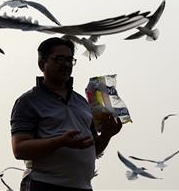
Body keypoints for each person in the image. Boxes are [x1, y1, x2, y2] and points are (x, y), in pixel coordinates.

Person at [11, 37, 122, 191]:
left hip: (82, 186)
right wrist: (60, 142)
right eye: (59, 59)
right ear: (42, 64)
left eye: (70, 59)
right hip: (43, 184)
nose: (66, 64)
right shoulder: (28, 101)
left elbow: (92, 149)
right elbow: (20, 149)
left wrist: (106, 135)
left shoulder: (82, 102)